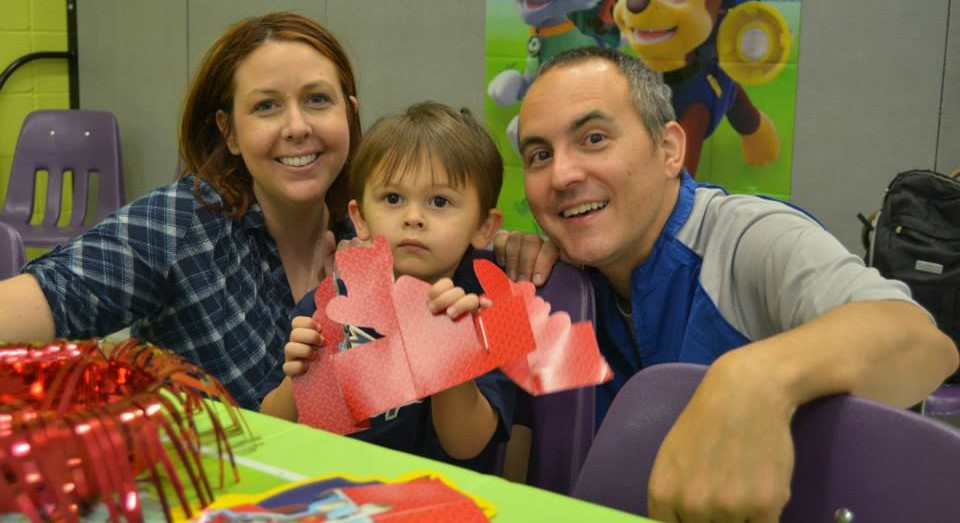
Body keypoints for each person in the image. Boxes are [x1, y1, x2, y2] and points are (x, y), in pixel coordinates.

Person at [499, 46, 958, 522]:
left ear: (669, 149)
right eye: (539, 155)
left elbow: (921, 343)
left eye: (594, 139)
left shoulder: (748, 237)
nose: (562, 175)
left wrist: (758, 377)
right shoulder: (562, 278)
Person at [0, 12, 362, 411]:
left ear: (349, 112)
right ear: (229, 132)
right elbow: (40, 302)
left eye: (317, 99)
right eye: (266, 106)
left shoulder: (373, 228)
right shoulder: (180, 225)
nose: (297, 126)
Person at [260, 101, 514, 474]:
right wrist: (300, 379)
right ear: (360, 218)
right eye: (393, 199)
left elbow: (467, 445)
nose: (413, 218)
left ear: (484, 227)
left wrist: (449, 357)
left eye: (440, 201)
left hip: (438, 496)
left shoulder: (494, 308)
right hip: (329, 490)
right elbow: (270, 429)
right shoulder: (334, 300)